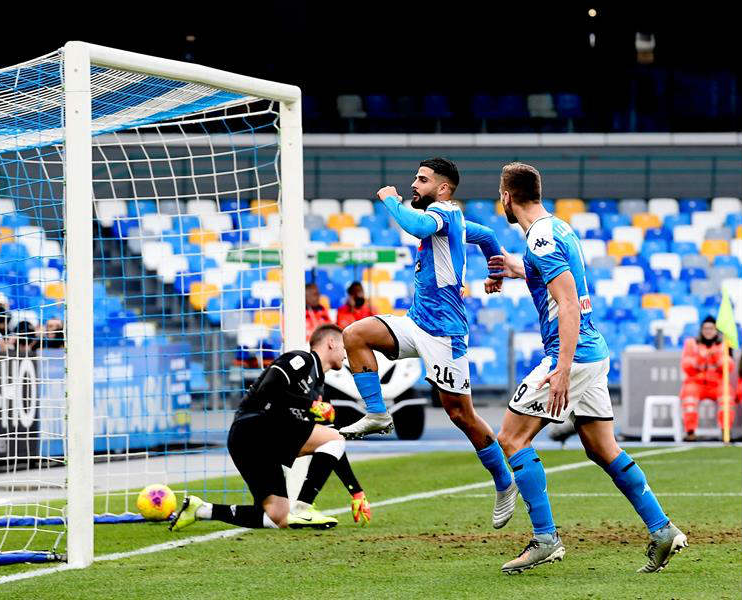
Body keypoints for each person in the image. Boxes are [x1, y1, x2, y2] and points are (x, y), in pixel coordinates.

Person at [487, 162, 686, 574]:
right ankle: (662, 529)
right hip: (594, 354)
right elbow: (562, 281)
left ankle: (545, 538)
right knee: (601, 447)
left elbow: (569, 303)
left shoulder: (540, 238)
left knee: (510, 438)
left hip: (571, 354)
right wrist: (514, 268)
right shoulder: (556, 229)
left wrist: (560, 369)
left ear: (507, 196)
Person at [339, 157, 518, 530]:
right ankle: (377, 413)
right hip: (416, 322)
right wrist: (495, 271)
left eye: (421, 180)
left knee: (459, 415)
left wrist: (390, 199)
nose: (413, 185)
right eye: (413, 179)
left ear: (443, 188)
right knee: (355, 335)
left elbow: (416, 225)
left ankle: (504, 482)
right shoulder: (452, 220)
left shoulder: (443, 212)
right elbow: (486, 236)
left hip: (444, 333)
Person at [169, 324, 371, 532]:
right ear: (331, 342)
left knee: (277, 516)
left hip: (254, 443)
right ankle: (303, 507)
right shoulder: (301, 360)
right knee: (333, 437)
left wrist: (356, 492)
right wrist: (308, 406)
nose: (347, 355)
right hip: (253, 427)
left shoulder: (318, 388)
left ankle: (201, 510)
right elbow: (269, 389)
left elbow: (332, 446)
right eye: (345, 347)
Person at [680, 316, 736, 440]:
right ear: (701, 330)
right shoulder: (692, 344)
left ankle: (725, 431)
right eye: (705, 328)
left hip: (717, 383)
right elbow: (686, 366)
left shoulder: (723, 345)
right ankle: (690, 432)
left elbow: (729, 367)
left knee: (726, 396)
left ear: (716, 330)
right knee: (689, 397)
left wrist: (716, 356)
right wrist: (701, 357)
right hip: (696, 382)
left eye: (711, 328)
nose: (708, 331)